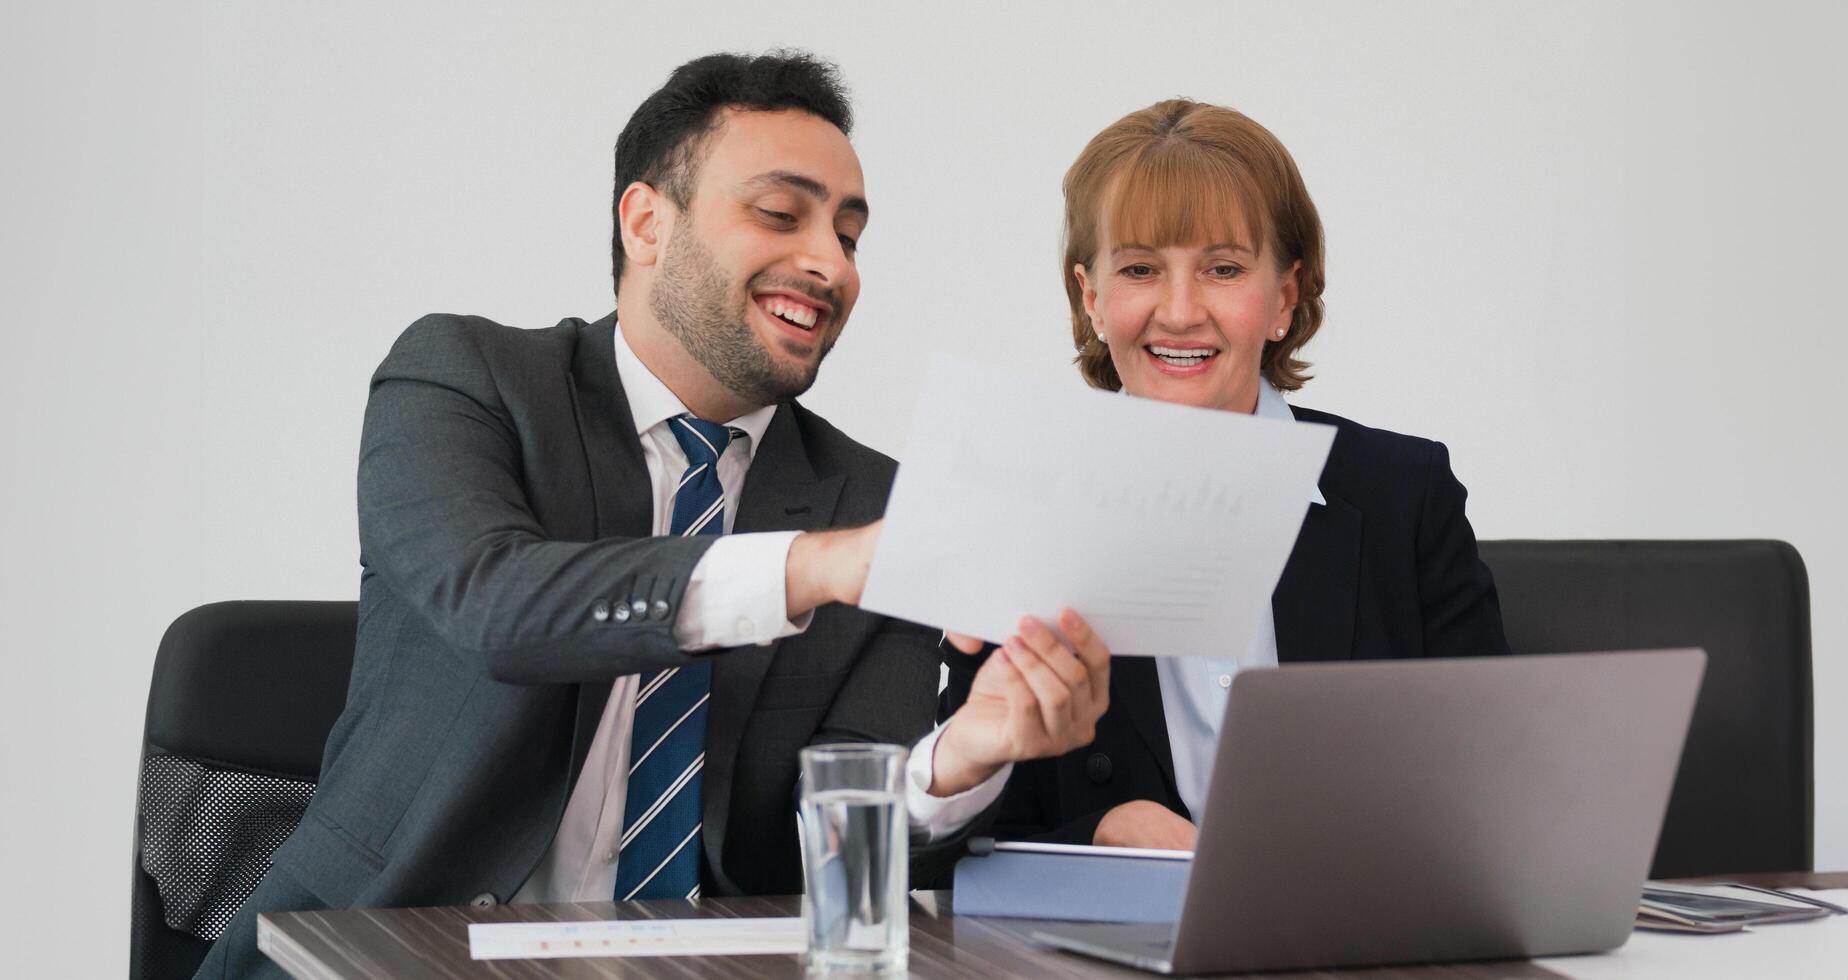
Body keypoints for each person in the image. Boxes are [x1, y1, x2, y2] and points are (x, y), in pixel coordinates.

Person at [194, 51, 1108, 979]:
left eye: (850, 235)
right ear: (647, 224)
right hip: (385, 954)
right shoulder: (466, 381)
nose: (830, 264)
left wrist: (960, 756)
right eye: (781, 215)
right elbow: (495, 606)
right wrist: (810, 569)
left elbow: (827, 840)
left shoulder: (869, 502)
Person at [943, 98, 1510, 851]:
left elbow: (1495, 779)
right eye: (1141, 268)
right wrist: (1102, 832)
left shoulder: (1403, 492)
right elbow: (942, 838)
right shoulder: (1018, 504)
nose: (1179, 312)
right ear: (1092, 298)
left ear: (1283, 297)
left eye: (1223, 269)